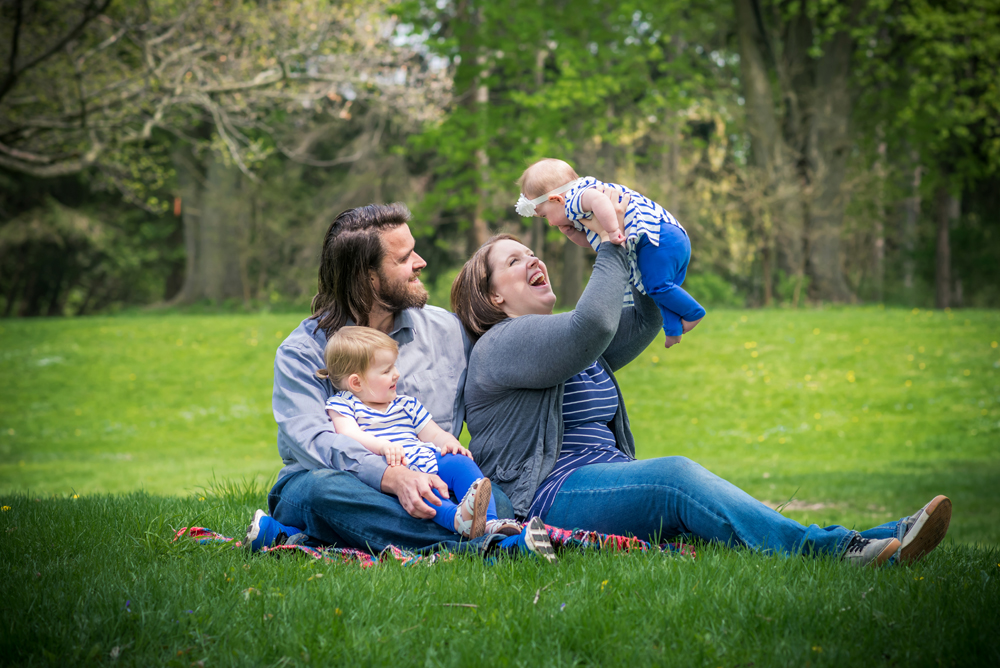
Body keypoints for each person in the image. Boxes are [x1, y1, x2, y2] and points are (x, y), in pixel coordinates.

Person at [451, 227, 952, 566]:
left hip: (602, 482)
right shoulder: (501, 345)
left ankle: (883, 537)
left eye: (530, 251)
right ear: (494, 297)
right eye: (514, 261)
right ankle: (839, 551)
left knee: (716, 512)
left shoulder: (559, 345)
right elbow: (597, 323)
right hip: (550, 498)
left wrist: (648, 238)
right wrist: (608, 241)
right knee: (676, 478)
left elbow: (641, 318)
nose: (533, 258)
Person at [245, 202, 554, 559]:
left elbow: (500, 387)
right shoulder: (302, 351)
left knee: (492, 495)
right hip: (340, 484)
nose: (420, 262)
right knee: (321, 493)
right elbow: (314, 442)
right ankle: (491, 547)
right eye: (405, 258)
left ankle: (309, 539)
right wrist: (390, 477)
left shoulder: (448, 331)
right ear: (368, 277)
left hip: (433, 479)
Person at [319, 326, 522, 539]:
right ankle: (456, 518)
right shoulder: (343, 404)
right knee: (422, 490)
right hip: (395, 468)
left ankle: (487, 521)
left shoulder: (406, 404)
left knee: (462, 464)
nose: (396, 374)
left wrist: (449, 441)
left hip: (425, 456)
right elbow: (348, 434)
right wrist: (382, 446)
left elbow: (432, 434)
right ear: (356, 382)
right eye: (386, 370)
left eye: (394, 366)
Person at [516, 158, 705, 348]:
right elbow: (593, 240)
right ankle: (673, 329)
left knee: (657, 286)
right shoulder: (581, 207)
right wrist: (574, 233)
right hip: (666, 237)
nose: (549, 223)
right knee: (658, 290)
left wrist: (613, 231)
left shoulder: (575, 198)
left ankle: (694, 312)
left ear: (556, 199)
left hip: (657, 236)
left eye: (544, 215)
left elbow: (601, 201)